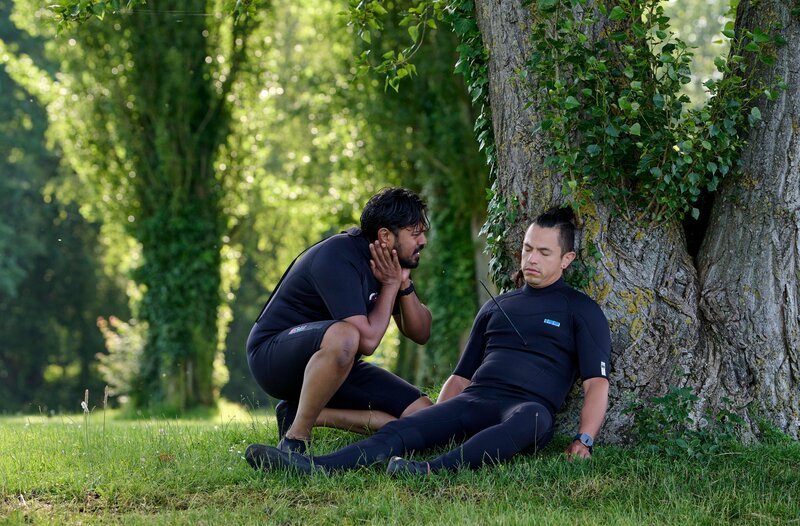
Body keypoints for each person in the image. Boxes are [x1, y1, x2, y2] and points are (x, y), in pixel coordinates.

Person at [245, 206, 611, 475]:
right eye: (528, 248)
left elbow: (596, 384)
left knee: (532, 418)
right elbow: (461, 376)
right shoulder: (498, 306)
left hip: (527, 408)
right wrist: (438, 418)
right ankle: (315, 466)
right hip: (475, 399)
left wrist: (585, 439)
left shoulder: (581, 310)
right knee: (409, 426)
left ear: (566, 260)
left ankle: (431, 471)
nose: (531, 259)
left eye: (543, 253)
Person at [246, 187, 434, 454]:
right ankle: (295, 439)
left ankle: (307, 413)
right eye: (415, 234)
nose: (423, 241)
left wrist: (403, 283)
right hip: (273, 356)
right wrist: (391, 284)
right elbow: (367, 342)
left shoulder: (388, 263)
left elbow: (421, 333)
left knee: (424, 415)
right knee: (346, 334)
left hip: (336, 365)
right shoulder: (338, 256)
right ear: (385, 235)